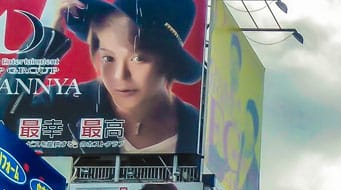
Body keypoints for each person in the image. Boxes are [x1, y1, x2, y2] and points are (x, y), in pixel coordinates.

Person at [0, 0, 204, 154]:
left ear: (170, 64)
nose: (119, 75)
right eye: (108, 57)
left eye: (138, 58)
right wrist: (43, 41)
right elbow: (3, 124)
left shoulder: (197, 131)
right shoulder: (67, 104)